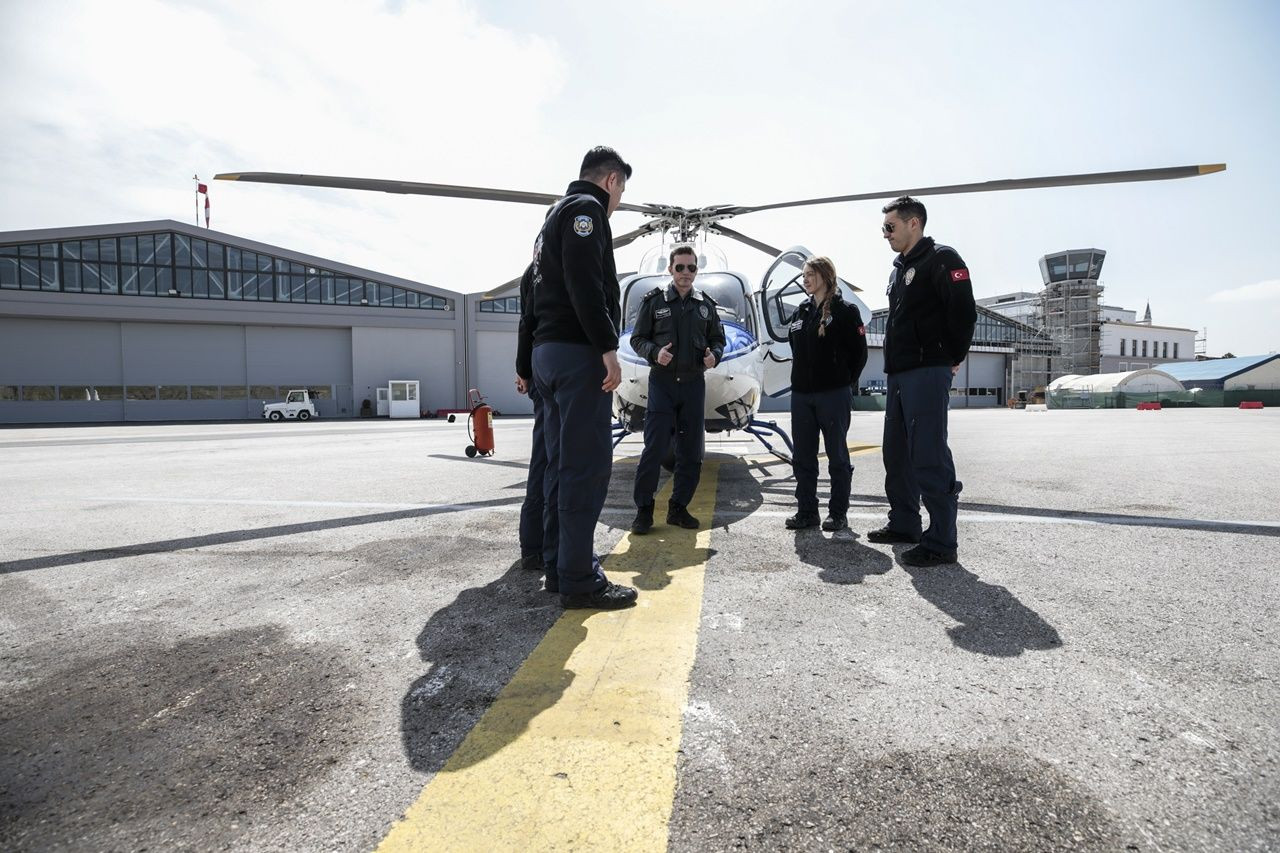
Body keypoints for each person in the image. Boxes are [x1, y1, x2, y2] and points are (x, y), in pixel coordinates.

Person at [526, 146, 638, 609]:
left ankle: (557, 565)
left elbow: (530, 296)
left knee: (557, 465)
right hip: (576, 356)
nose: (618, 202)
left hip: (546, 355)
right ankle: (577, 578)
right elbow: (586, 285)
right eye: (621, 192)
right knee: (585, 467)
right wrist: (609, 348)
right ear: (611, 180)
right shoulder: (586, 212)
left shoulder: (551, 219)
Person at [870, 196, 977, 566]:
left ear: (914, 223)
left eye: (890, 227)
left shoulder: (943, 259)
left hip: (928, 370)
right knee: (896, 452)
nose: (885, 234)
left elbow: (963, 312)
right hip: (899, 372)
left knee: (928, 452)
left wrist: (953, 356)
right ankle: (904, 523)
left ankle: (942, 541)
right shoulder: (898, 269)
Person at [628, 245, 726, 534]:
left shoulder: (706, 305)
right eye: (680, 267)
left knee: (692, 452)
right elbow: (637, 339)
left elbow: (718, 340)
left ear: (696, 270)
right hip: (663, 383)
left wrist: (714, 357)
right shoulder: (654, 301)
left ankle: (678, 508)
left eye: (691, 268)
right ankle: (644, 511)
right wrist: (654, 352)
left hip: (694, 384)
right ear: (670, 269)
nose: (686, 273)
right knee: (655, 448)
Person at [784, 256, 868, 532]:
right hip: (802, 396)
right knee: (803, 457)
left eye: (810, 274)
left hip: (833, 395)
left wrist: (841, 382)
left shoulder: (845, 311)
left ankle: (838, 513)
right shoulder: (800, 312)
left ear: (825, 275)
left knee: (837, 456)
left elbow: (860, 355)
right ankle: (807, 511)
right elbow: (797, 352)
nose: (805, 279)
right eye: (803, 274)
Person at [514, 263, 551, 576]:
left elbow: (525, 323)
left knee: (541, 460)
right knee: (553, 462)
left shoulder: (532, 271)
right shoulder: (568, 258)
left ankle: (533, 547)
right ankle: (542, 548)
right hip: (560, 373)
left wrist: (524, 370)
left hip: (540, 369)